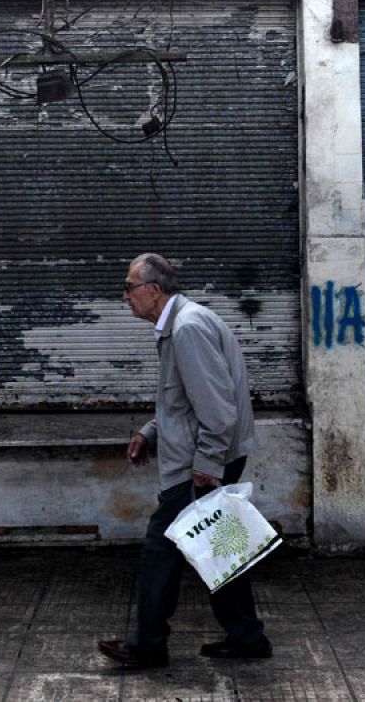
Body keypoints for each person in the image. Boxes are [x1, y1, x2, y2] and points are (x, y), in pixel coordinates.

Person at [97, 253, 272, 669]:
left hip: (201, 461)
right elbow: (183, 402)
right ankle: (247, 637)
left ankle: (148, 645)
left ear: (154, 291)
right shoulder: (180, 324)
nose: (125, 296)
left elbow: (216, 409)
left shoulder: (188, 328)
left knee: (162, 546)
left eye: (130, 287)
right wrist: (149, 433)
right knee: (216, 545)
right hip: (205, 454)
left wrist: (207, 464)